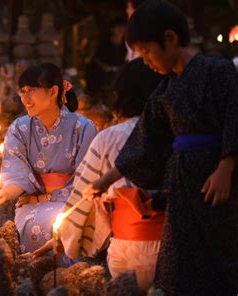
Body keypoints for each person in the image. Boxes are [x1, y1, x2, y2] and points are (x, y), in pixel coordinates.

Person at [83, 0, 238, 294]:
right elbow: (146, 141)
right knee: (178, 261)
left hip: (218, 180)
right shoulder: (165, 91)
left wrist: (226, 166)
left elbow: (235, 114)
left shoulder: (220, 72)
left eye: (146, 51)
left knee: (222, 256)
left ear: (170, 38)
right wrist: (105, 180)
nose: (144, 60)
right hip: (182, 185)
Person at [34, 59, 164, 292]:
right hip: (179, 246)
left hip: (130, 248)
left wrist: (63, 236)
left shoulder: (109, 138)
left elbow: (83, 200)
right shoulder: (181, 134)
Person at [0, 63, 97, 258]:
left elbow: (87, 180)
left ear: (53, 91)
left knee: (64, 223)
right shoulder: (19, 128)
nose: (25, 99)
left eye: (31, 91)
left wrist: (46, 198)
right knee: (34, 223)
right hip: (32, 204)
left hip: (73, 202)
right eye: (22, 92)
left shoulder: (84, 128)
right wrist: (5, 193)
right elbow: (16, 171)